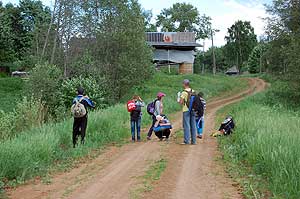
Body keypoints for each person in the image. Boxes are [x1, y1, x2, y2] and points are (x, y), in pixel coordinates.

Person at [179, 79, 197, 145]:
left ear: (184, 84)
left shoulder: (183, 92)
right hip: (193, 110)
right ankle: (194, 141)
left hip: (186, 110)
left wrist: (179, 100)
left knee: (186, 125)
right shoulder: (193, 91)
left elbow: (181, 102)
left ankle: (186, 141)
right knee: (193, 125)